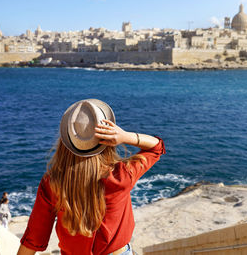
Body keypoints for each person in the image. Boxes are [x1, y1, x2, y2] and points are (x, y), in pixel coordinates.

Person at [17, 99, 165, 255]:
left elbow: (34, 238)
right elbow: (157, 147)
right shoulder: (121, 175)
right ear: (108, 138)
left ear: (65, 140)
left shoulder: (52, 183)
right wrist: (125, 136)